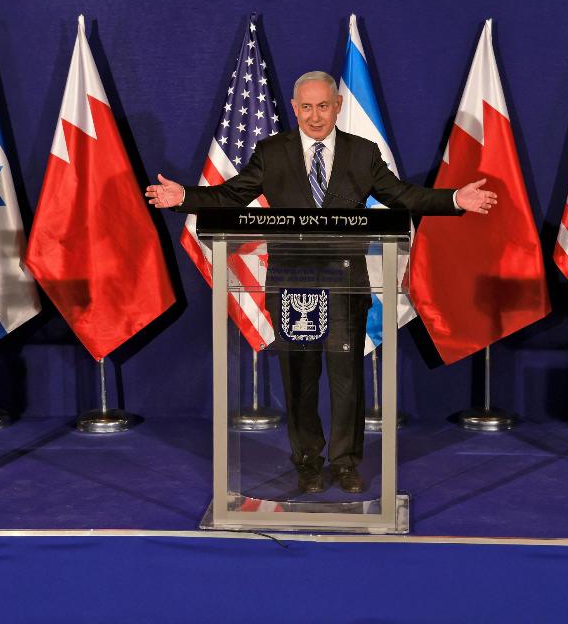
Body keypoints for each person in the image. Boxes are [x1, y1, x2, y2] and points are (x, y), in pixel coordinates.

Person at [148, 71, 496, 494]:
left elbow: (405, 197)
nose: (315, 116)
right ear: (294, 109)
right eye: (307, 107)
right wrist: (185, 197)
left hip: (345, 282)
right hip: (291, 283)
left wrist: (455, 199)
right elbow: (230, 196)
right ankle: (308, 463)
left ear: (337, 106)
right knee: (299, 378)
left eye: (323, 105)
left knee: (346, 379)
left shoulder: (362, 153)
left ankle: (346, 463)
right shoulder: (271, 152)